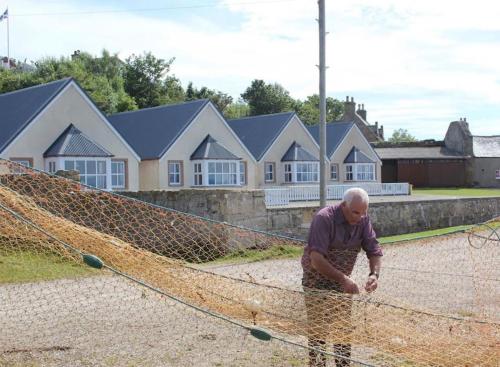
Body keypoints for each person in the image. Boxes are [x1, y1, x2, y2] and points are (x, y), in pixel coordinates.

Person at [301, 187, 383, 367]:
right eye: (356, 212)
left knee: (342, 330)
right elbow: (316, 259)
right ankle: (317, 364)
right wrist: (343, 279)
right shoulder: (324, 218)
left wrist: (374, 274)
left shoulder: (363, 219)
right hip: (316, 281)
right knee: (318, 330)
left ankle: (343, 365)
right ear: (344, 205)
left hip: (341, 283)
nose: (360, 217)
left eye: (364, 212)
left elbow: (374, 249)